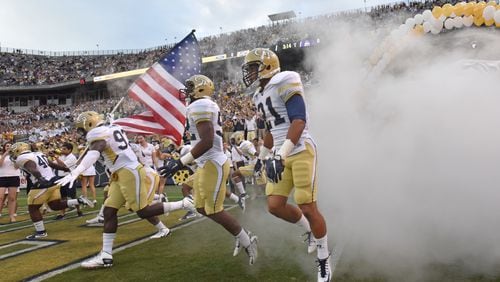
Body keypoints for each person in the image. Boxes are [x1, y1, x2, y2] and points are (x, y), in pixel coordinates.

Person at [56, 111, 196, 269]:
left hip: (128, 171)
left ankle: (184, 203)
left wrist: (76, 171)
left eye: (82, 129)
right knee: (109, 211)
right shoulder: (112, 128)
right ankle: (106, 256)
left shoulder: (98, 133)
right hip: (119, 173)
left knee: (143, 211)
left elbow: (96, 151)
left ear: (89, 125)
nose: (81, 133)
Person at [242, 48, 332, 281]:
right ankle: (310, 232)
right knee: (274, 205)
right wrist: (262, 158)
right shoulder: (258, 96)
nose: (250, 72)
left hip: (300, 149)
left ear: (268, 65)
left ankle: (323, 258)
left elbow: (299, 120)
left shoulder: (286, 79)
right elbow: (271, 131)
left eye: (253, 67)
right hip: (279, 153)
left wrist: (280, 155)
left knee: (307, 206)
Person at [159, 74, 258, 265]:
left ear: (200, 88)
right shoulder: (202, 105)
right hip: (207, 163)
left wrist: (180, 162)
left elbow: (207, 141)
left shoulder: (200, 106)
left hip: (213, 162)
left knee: (213, 210)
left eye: (190, 87)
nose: (186, 92)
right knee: (200, 207)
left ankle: (246, 239)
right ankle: (242, 234)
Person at [9, 142, 94, 239]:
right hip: (54, 181)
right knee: (55, 205)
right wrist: (64, 168)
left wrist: (40, 178)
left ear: (18, 150)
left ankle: (41, 232)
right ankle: (79, 200)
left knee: (33, 208)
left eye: (13, 152)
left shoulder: (22, 158)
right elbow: (52, 164)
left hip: (43, 184)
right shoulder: (38, 154)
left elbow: (32, 168)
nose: (13, 154)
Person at [51, 142, 83, 219]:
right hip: (61, 178)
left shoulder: (72, 157)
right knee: (62, 197)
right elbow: (54, 164)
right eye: (62, 148)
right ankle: (62, 213)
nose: (62, 150)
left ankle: (79, 210)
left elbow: (63, 165)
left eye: (64, 149)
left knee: (72, 196)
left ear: (70, 150)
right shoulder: (62, 156)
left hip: (69, 178)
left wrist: (55, 157)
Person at [0, 142, 20, 223]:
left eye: (10, 146)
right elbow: (0, 164)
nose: (8, 147)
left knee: (12, 198)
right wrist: (5, 154)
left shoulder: (16, 156)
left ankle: (12, 216)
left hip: (14, 177)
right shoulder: (1, 155)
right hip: (2, 177)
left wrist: (14, 157)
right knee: (0, 197)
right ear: (4, 147)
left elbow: (16, 167)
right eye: (7, 146)